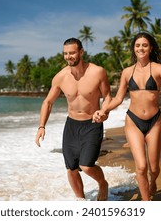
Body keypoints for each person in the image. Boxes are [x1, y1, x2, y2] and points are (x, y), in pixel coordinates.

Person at [93, 32, 161, 201]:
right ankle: (145, 201)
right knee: (141, 166)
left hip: (154, 121)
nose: (141, 48)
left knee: (154, 168)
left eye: (144, 45)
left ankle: (153, 181)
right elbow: (118, 98)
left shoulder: (158, 69)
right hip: (133, 121)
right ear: (134, 49)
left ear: (151, 48)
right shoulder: (127, 72)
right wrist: (103, 110)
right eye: (138, 45)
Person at [35, 37, 111, 201]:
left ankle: (103, 184)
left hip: (92, 123)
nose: (69, 56)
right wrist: (41, 126)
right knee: (71, 168)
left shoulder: (98, 72)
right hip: (71, 125)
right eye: (65, 53)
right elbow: (48, 102)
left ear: (81, 52)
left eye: (72, 53)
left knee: (86, 165)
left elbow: (108, 97)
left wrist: (104, 111)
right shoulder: (60, 77)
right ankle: (80, 201)